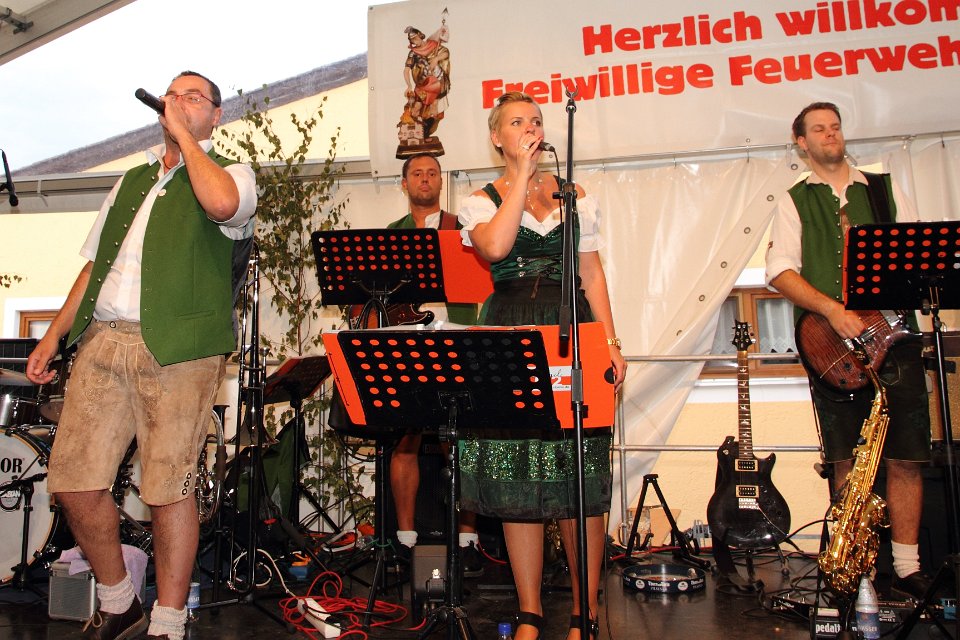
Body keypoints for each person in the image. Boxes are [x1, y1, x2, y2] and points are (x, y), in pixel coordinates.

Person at [25, 71, 257, 640]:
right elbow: (96, 265)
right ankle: (119, 599)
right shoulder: (130, 181)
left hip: (180, 351)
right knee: (73, 480)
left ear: (215, 116)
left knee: (167, 486)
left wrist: (187, 142)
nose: (177, 102)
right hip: (104, 340)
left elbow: (222, 205)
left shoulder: (233, 173)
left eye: (194, 98)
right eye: (172, 95)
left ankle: (168, 622)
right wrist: (53, 335)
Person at [456, 92, 626, 640]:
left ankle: (584, 611)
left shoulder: (576, 196)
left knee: (579, 470)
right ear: (497, 138)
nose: (530, 128)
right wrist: (522, 178)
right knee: (517, 469)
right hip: (509, 330)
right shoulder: (479, 200)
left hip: (571, 328)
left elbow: (592, 274)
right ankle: (529, 610)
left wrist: (611, 342)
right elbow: (496, 248)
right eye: (516, 122)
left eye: (535, 120)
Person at [765, 101, 930, 599]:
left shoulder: (882, 189)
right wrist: (832, 310)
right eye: (818, 129)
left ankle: (907, 566)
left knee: (906, 455)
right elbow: (779, 270)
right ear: (801, 142)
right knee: (845, 459)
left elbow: (917, 254)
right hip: (832, 347)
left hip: (895, 339)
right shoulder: (794, 199)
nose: (830, 134)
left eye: (835, 127)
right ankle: (856, 568)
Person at [385, 152, 483, 575]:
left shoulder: (463, 227)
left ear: (441, 182)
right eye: (417, 173)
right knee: (406, 438)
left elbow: (481, 279)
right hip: (410, 342)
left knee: (457, 438)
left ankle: (468, 540)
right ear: (405, 183)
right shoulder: (392, 233)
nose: (425, 179)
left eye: (432, 173)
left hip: (456, 335)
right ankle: (405, 541)